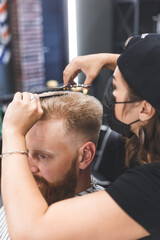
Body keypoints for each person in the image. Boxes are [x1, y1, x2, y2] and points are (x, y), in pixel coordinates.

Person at [2, 33, 160, 239]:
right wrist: (111, 60)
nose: (27, 167)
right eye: (26, 153)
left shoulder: (150, 187)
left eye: (114, 87)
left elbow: (30, 233)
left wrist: (12, 132)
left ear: (145, 109)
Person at [0, 91, 103, 240]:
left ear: (85, 156)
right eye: (24, 152)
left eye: (43, 156)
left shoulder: (100, 222)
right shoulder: (30, 190)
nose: (27, 168)